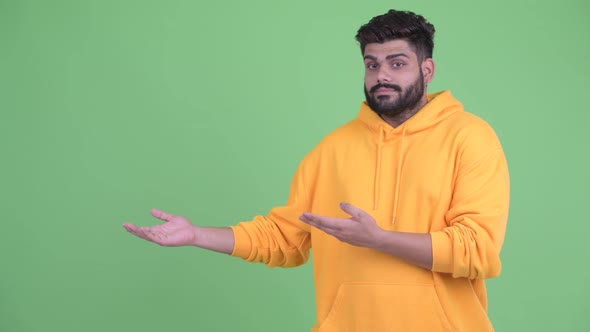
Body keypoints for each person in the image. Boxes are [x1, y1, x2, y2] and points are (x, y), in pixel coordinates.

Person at [123, 9, 510, 332]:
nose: (381, 76)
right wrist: (195, 234)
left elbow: (478, 250)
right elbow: (283, 238)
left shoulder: (470, 137)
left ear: (427, 70)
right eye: (371, 64)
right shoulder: (332, 149)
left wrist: (379, 239)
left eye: (397, 63)